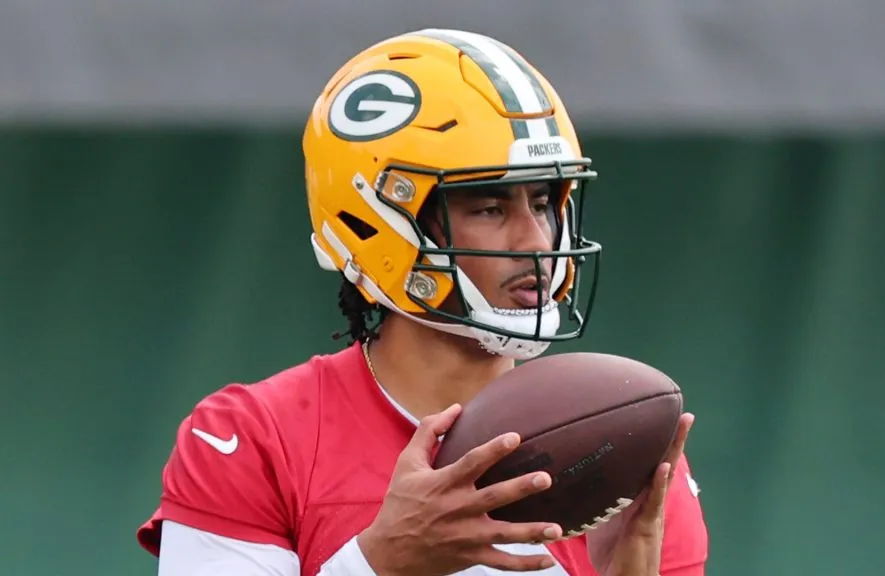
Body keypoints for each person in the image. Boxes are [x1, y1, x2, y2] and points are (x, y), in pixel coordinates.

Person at [136, 28, 708, 576]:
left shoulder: (624, 444)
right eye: (490, 208)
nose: (537, 240)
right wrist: (382, 563)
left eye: (542, 202)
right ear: (383, 223)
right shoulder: (257, 437)